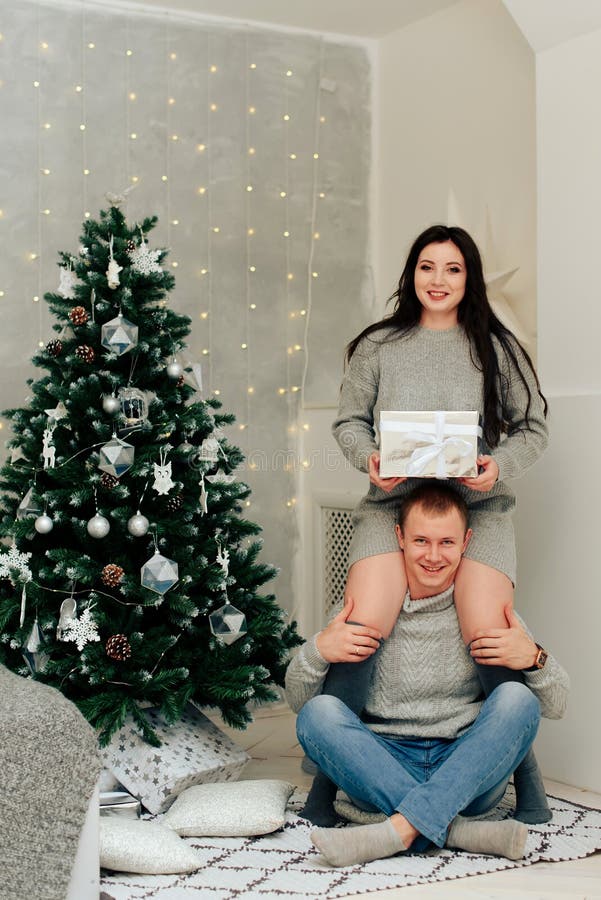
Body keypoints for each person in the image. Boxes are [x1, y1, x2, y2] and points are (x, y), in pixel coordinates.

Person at [301, 224, 550, 826]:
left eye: (453, 269)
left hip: (479, 507)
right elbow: (349, 424)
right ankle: (329, 787)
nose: (439, 281)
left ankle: (525, 777)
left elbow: (534, 428)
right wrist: (370, 461)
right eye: (428, 268)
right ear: (412, 274)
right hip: (392, 505)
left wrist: (498, 467)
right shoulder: (379, 346)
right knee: (361, 624)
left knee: (490, 630)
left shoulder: (498, 348)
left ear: (470, 278)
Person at [286, 482, 568, 867]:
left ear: (466, 541)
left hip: (466, 767)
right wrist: (317, 650)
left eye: (446, 543)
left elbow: (556, 705)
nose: (433, 556)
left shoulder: (487, 610)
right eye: (421, 540)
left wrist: (535, 657)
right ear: (400, 537)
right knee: (317, 715)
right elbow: (299, 702)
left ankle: (400, 829)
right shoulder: (365, 605)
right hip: (381, 765)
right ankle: (456, 830)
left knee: (518, 701)